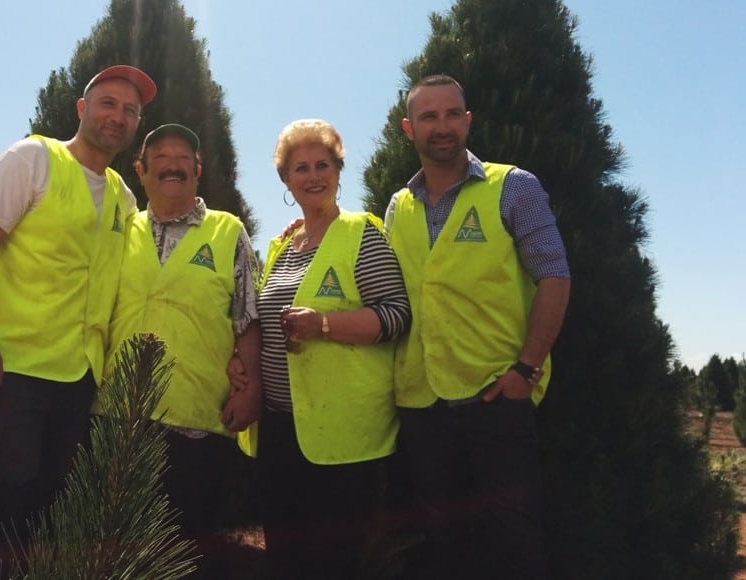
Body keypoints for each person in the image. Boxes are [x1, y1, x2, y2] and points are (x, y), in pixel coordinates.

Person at [0, 65, 156, 579]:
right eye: (108, 104)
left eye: (130, 111)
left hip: (80, 379)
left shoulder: (124, 198)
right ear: (82, 109)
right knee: (9, 514)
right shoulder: (33, 159)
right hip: (15, 371)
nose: (118, 116)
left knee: (57, 519)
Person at [384, 74, 571, 580]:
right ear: (409, 128)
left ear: (467, 122)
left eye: (452, 114)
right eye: (428, 116)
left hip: (495, 396)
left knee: (515, 538)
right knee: (442, 541)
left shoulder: (513, 187)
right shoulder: (398, 207)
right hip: (421, 402)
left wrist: (525, 370)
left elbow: (554, 276)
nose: (441, 126)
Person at [239, 118, 411, 579]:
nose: (313, 176)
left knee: (332, 561)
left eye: (323, 165)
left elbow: (397, 315)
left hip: (343, 434)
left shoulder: (361, 235)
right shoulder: (282, 246)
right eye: (301, 168)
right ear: (285, 180)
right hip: (280, 429)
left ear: (338, 172)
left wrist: (325, 325)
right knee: (285, 556)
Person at [103, 123, 262, 578]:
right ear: (141, 171)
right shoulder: (121, 230)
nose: (172, 166)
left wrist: (250, 388)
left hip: (196, 422)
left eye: (182, 159)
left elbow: (248, 317)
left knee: (184, 555)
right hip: (116, 417)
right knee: (113, 550)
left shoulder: (227, 231)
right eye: (161, 158)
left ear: (197, 169)